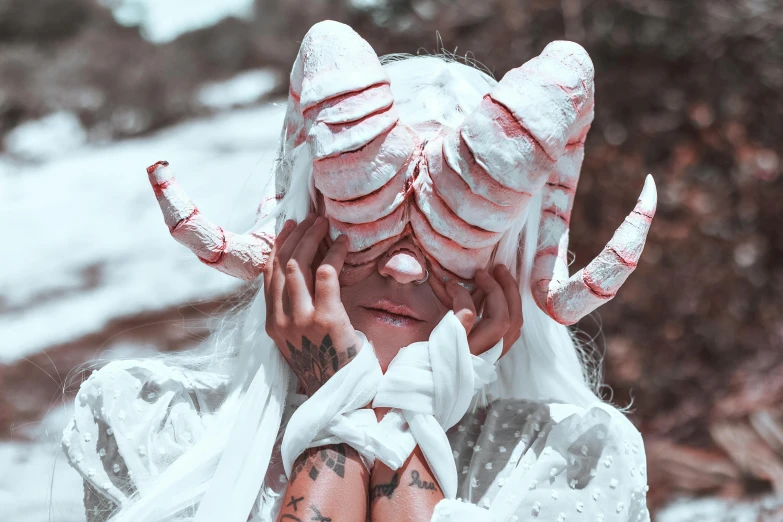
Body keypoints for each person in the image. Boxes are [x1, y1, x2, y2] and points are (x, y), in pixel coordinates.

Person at [62, 20, 655, 522]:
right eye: (375, 216)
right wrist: (344, 408)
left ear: (506, 259)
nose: (402, 267)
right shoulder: (147, 421)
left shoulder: (578, 458)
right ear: (303, 218)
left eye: (448, 232)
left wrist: (394, 405)